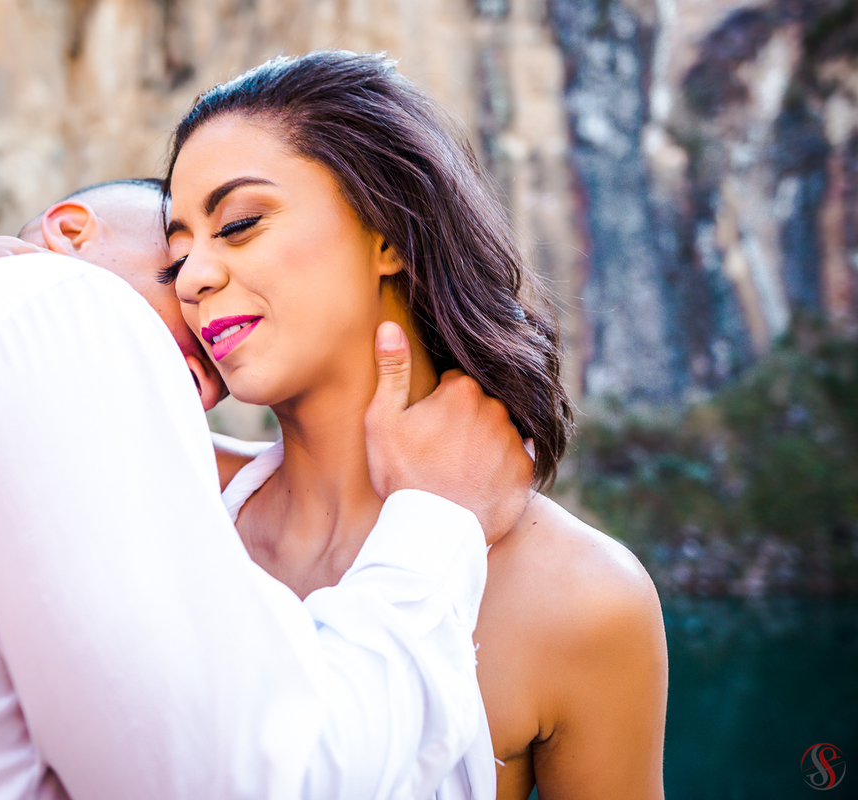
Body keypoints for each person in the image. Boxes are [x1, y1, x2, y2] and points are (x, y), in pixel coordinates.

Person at [0, 176, 535, 799]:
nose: (207, 298)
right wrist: (437, 522)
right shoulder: (68, 312)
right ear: (72, 232)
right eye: (178, 261)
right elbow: (244, 778)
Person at [161, 51, 668, 800]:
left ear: (389, 232)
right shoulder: (167, 505)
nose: (194, 277)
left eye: (238, 225)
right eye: (175, 256)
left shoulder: (580, 598)